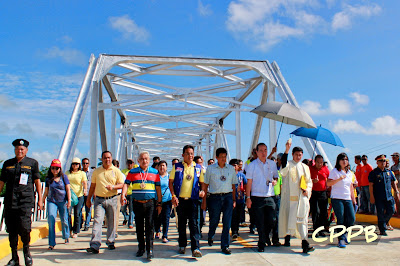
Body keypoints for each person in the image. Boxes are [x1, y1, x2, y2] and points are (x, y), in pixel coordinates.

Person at [0, 139, 43, 266]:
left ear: (26, 150)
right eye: (17, 149)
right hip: (10, 202)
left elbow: (37, 182)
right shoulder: (8, 164)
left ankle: (27, 253)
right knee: (11, 230)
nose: (19, 151)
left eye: (22, 149)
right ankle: (14, 258)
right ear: (15, 150)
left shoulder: (32, 163)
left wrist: (40, 199)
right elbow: (2, 182)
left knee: (25, 228)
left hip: (25, 201)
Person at [121, 151, 162, 260]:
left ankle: (150, 250)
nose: (144, 161)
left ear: (149, 161)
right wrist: (123, 195)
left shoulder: (154, 172)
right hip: (137, 203)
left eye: (146, 159)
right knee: (139, 226)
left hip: (150, 203)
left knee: (149, 227)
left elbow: (158, 188)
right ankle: (141, 248)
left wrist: (159, 203)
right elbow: (126, 184)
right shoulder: (132, 172)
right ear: (138, 160)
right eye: (142, 159)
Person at [169, 145, 205, 258]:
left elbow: (202, 183)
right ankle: (182, 245)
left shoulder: (198, 167)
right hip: (180, 201)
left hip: (193, 200)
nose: (190, 156)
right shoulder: (177, 166)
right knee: (181, 224)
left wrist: (203, 191)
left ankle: (196, 248)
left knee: (194, 224)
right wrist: (173, 196)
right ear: (183, 155)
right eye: (188, 153)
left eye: (192, 153)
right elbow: (171, 182)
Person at [86, 151, 125, 254]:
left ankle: (110, 241)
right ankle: (95, 244)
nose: (107, 160)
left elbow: (122, 185)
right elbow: (92, 186)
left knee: (111, 222)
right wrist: (88, 199)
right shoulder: (96, 171)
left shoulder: (116, 171)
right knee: (97, 221)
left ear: (111, 158)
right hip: (99, 200)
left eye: (108, 158)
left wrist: (113, 187)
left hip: (112, 199)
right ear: (102, 159)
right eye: (105, 158)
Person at [279, 145, 314, 254]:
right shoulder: (288, 164)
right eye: (296, 155)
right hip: (290, 199)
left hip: (301, 198)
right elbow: (283, 167)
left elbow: (309, 182)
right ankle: (287, 238)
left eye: (300, 155)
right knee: (289, 218)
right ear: (293, 154)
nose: (298, 157)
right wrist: (286, 151)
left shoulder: (305, 167)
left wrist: (307, 190)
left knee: (302, 220)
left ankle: (305, 243)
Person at [202, 148, 237, 255]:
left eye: (225, 157)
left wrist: (234, 199)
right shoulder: (210, 168)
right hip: (214, 198)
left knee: (227, 222)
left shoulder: (231, 169)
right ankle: (211, 234)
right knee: (214, 220)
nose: (223, 159)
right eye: (221, 157)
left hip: (227, 197)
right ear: (216, 157)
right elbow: (205, 185)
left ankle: (225, 246)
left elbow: (233, 185)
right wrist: (204, 201)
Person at [246, 143, 279, 252]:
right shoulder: (252, 165)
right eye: (261, 150)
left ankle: (264, 236)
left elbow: (276, 177)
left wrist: (275, 181)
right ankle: (261, 242)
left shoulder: (272, 164)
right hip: (257, 196)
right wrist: (248, 197)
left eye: (265, 150)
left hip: (270, 196)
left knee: (272, 220)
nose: (263, 153)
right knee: (259, 221)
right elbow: (249, 182)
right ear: (257, 152)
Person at [327, 153, 356, 248]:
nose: (344, 161)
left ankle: (344, 233)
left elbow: (351, 186)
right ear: (338, 161)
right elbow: (328, 183)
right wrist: (339, 179)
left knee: (351, 218)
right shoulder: (335, 171)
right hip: (337, 198)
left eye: (346, 159)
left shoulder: (349, 173)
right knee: (341, 218)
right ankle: (341, 239)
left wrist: (353, 199)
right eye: (342, 159)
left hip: (347, 198)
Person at [41, 159, 71, 250]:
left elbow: (68, 189)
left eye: (57, 168)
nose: (55, 170)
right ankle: (51, 243)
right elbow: (46, 191)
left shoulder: (64, 177)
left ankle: (66, 236)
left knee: (64, 220)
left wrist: (69, 200)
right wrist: (42, 201)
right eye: (53, 168)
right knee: (51, 219)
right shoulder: (48, 179)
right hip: (51, 201)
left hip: (62, 201)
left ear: (60, 169)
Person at [369, 155, 399, 235]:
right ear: (377, 162)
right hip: (379, 197)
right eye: (381, 161)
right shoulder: (374, 173)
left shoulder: (389, 172)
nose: (383, 162)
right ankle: (382, 230)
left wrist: (397, 192)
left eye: (384, 161)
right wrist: (371, 196)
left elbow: (393, 182)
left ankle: (384, 223)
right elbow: (371, 185)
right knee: (380, 213)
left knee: (392, 210)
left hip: (389, 196)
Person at [66, 157, 87, 238]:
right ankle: (69, 229)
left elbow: (84, 182)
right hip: (70, 196)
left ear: (79, 165)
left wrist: (85, 190)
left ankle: (76, 231)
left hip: (79, 196)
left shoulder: (82, 173)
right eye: (74, 164)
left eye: (77, 164)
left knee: (77, 213)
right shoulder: (67, 173)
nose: (75, 165)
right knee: (68, 213)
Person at [309, 155, 330, 236]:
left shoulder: (325, 169)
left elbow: (329, 178)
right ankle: (316, 229)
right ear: (315, 162)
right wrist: (312, 181)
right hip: (313, 192)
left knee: (323, 212)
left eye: (321, 162)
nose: (319, 164)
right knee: (315, 211)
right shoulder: (310, 169)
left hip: (323, 193)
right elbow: (305, 179)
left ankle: (321, 229)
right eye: (318, 162)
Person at [153, 160, 172, 243]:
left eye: (163, 166)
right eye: (160, 166)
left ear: (166, 167)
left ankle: (165, 235)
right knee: (157, 217)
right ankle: (157, 231)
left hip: (167, 200)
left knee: (166, 218)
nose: (162, 167)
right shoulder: (155, 177)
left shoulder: (169, 177)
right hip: (157, 200)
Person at [229, 159, 247, 241]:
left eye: (235, 165)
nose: (233, 167)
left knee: (239, 216)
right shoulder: (228, 176)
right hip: (231, 199)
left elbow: (246, 185)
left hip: (240, 199)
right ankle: (234, 231)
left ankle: (236, 230)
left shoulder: (242, 176)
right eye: (232, 165)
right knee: (233, 216)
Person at [122, 159, 138, 228]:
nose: (129, 164)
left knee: (131, 209)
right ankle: (127, 217)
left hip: (132, 192)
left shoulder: (135, 171)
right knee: (123, 208)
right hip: (125, 192)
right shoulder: (123, 172)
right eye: (128, 163)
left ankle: (130, 223)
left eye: (131, 163)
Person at [82, 158, 94, 231]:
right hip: (81, 193)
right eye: (83, 163)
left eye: (86, 163)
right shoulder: (80, 172)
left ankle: (87, 224)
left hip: (89, 192)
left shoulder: (93, 172)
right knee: (79, 209)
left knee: (88, 209)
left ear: (88, 164)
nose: (85, 165)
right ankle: (80, 223)